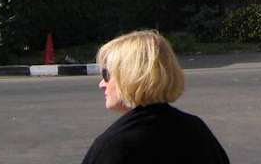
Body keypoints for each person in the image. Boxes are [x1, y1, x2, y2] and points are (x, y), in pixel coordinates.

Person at [82, 30, 230, 164]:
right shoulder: (197, 131)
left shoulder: (114, 146)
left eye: (106, 75)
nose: (102, 84)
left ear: (131, 76)